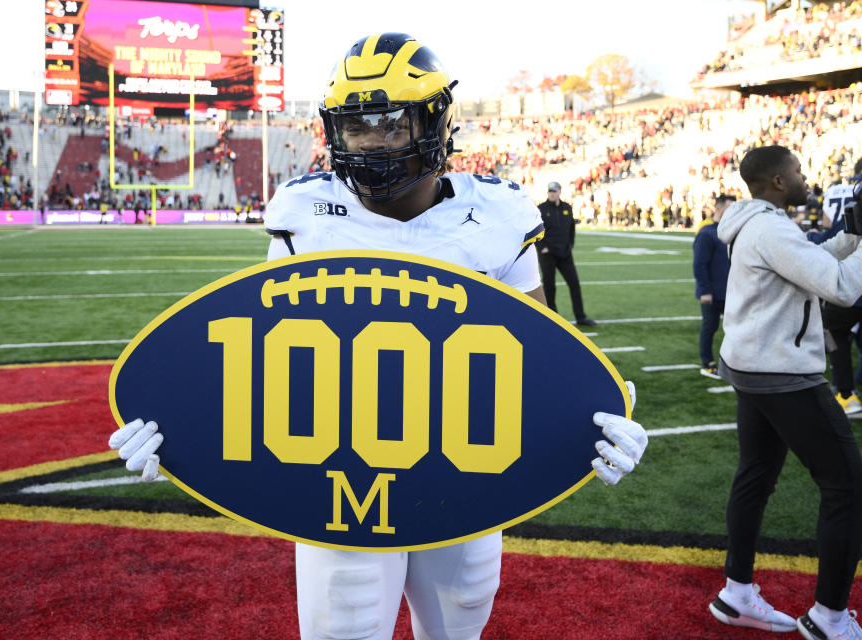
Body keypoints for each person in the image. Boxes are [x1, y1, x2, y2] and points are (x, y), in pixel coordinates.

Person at [109, 34, 648, 640]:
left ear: (437, 120)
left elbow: (540, 350)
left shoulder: (497, 215)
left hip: (464, 468)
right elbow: (264, 353)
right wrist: (184, 428)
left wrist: (588, 410)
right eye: (355, 127)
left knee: (457, 625)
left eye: (391, 124)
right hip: (338, 477)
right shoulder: (305, 213)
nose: (371, 143)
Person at [709, 145, 862, 639]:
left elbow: (810, 261)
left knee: (754, 476)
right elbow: (839, 286)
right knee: (848, 489)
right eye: (796, 169)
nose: (803, 174)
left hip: (752, 367)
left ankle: (736, 592)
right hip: (783, 374)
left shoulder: (758, 221)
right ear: (777, 181)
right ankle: (829, 617)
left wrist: (853, 237)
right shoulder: (771, 226)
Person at [816, 160, 862, 415]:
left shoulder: (840, 193)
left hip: (851, 282)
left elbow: (830, 229)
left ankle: (846, 394)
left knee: (834, 332)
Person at [535, 182, 597, 327]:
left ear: (559, 192)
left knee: (574, 284)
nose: (552, 193)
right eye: (550, 191)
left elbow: (571, 230)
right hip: (548, 254)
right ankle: (551, 317)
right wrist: (542, 247)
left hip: (565, 254)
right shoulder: (541, 209)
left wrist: (570, 246)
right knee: (549, 286)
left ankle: (581, 316)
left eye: (554, 191)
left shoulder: (566, 208)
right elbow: (535, 231)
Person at [693, 194, 735, 379]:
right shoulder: (707, 233)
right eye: (729, 208)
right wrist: (705, 290)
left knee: (735, 329)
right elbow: (699, 264)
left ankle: (732, 363)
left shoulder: (732, 231)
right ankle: (707, 363)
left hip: (731, 291)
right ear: (718, 209)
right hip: (713, 291)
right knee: (710, 327)